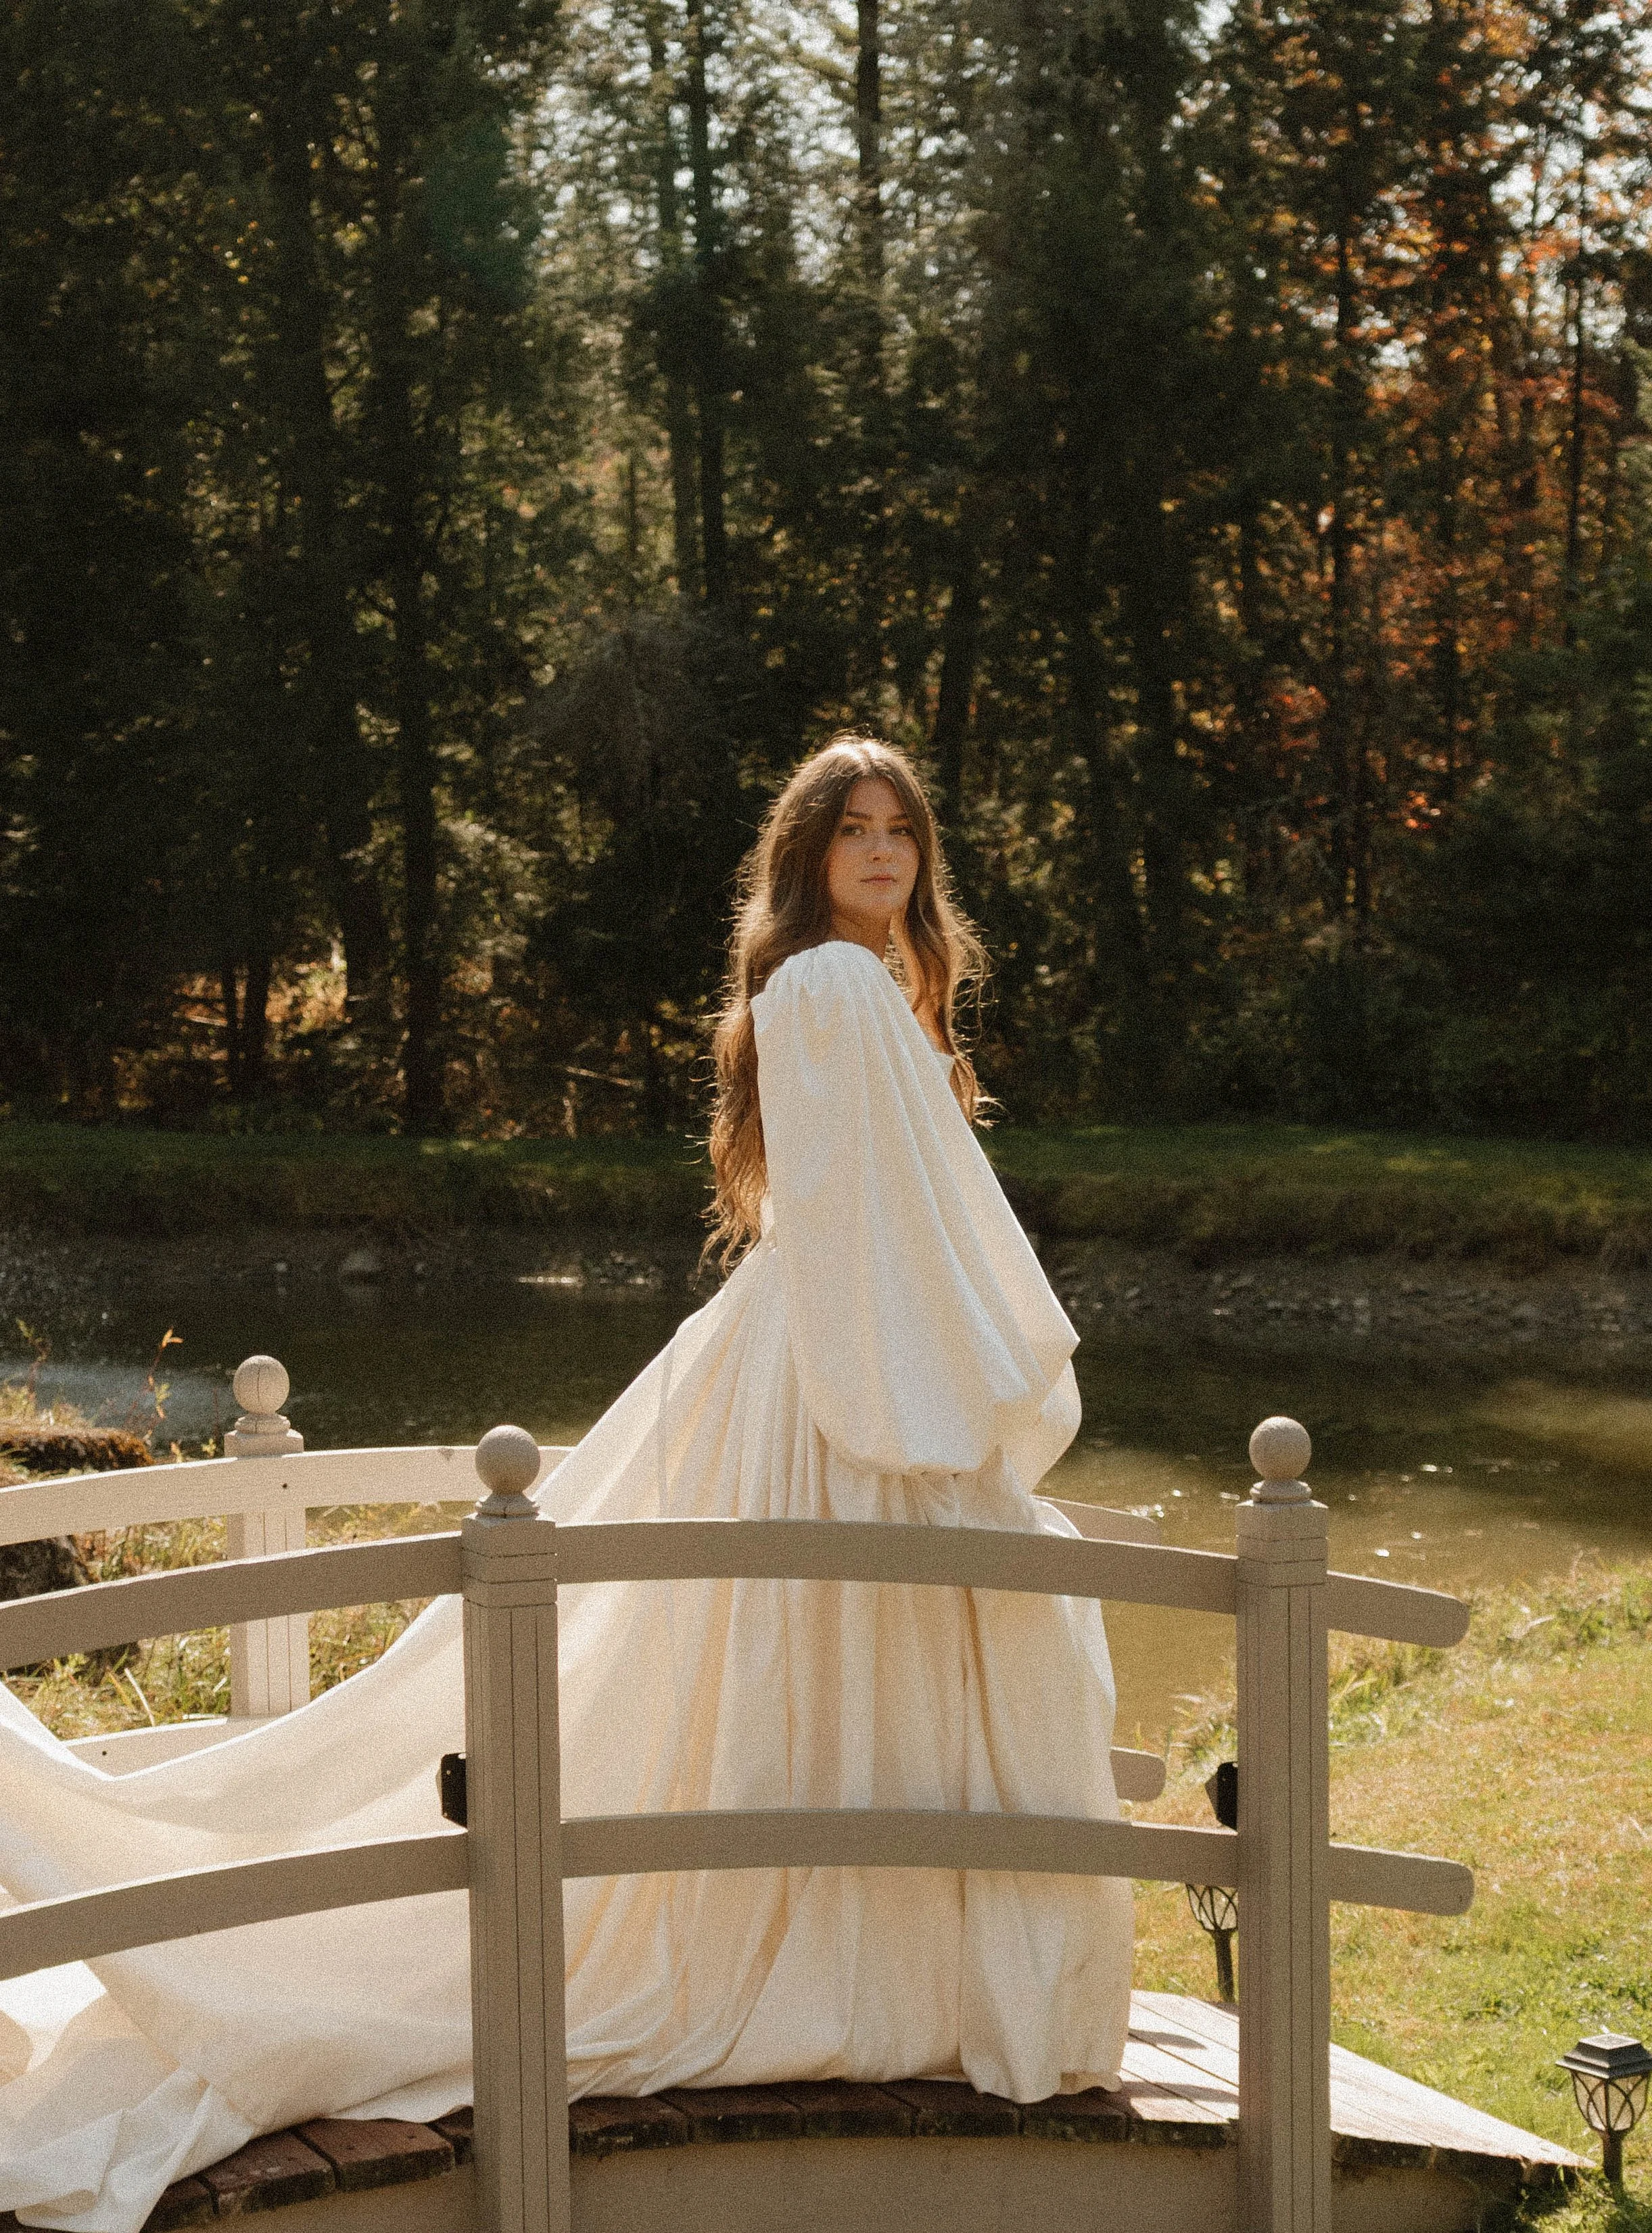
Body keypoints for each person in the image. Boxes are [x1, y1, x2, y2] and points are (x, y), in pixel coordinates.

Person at [0, 734, 1131, 2233]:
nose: (880, 853)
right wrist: (943, 1413)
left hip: (822, 1353)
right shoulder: (836, 985)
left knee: (771, 1667)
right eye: (850, 831)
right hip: (845, 1377)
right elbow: (885, 1228)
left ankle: (846, 1956)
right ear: (802, 858)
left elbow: (899, 1208)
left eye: (899, 832)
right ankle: (856, 1966)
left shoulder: (843, 986)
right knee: (825, 1650)